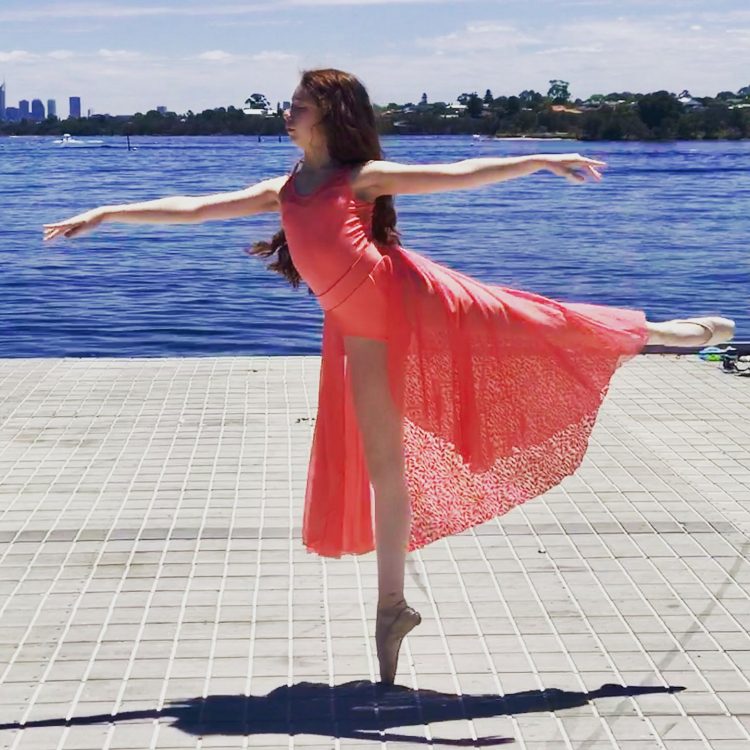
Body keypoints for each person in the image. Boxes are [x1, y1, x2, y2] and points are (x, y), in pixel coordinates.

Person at [43, 68, 736, 686]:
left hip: (421, 299)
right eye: (290, 105)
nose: (288, 113)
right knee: (385, 470)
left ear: (330, 115)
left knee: (540, 324)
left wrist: (539, 157)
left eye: (299, 105)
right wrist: (106, 213)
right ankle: (392, 606)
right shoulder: (283, 188)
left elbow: (461, 173)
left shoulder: (359, 178)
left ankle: (668, 333)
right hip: (362, 331)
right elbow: (193, 207)